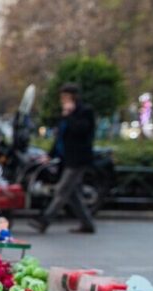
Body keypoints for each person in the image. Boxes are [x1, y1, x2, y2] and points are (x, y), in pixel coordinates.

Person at [29, 83, 96, 234]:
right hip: (66, 159)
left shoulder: (85, 112)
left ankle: (44, 220)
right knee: (72, 194)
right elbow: (61, 137)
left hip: (78, 159)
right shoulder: (66, 114)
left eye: (66, 97)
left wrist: (70, 115)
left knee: (62, 189)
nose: (63, 100)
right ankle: (87, 224)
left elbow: (81, 130)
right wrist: (50, 155)